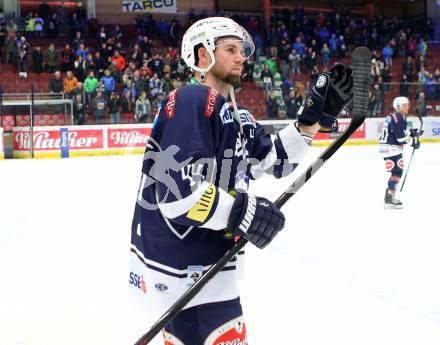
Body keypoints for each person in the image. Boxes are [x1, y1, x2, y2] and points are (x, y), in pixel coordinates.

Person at [129, 17, 353, 345]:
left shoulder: (235, 114)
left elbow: (275, 162)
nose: (241, 57)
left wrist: (310, 122)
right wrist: (243, 212)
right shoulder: (193, 99)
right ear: (202, 57)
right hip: (188, 271)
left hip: (206, 272)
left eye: (241, 50)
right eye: (230, 49)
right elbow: (177, 195)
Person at [379, 97, 420, 209]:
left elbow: (399, 132)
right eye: (405, 105)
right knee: (397, 172)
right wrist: (413, 142)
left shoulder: (393, 116)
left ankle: (389, 195)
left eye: (408, 104)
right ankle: (390, 198)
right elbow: (401, 138)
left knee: (396, 171)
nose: (408, 107)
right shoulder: (399, 117)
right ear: (398, 106)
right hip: (391, 148)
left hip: (387, 147)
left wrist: (411, 133)